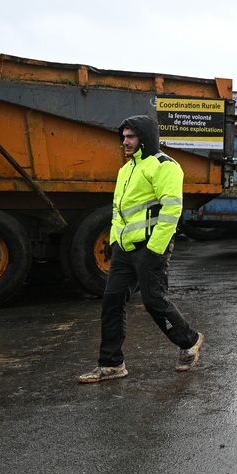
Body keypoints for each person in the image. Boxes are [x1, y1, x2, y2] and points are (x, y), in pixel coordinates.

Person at [78, 115, 204, 384]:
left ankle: (189, 341)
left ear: (145, 138)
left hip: (151, 248)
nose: (125, 142)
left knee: (154, 301)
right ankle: (111, 364)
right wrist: (115, 242)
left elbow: (171, 210)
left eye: (131, 137)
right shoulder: (126, 169)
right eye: (123, 137)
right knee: (111, 302)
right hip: (124, 249)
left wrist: (155, 249)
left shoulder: (165, 166)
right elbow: (118, 211)